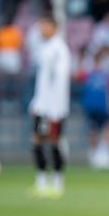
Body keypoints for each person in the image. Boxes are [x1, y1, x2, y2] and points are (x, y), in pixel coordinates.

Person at [28, 15, 72, 198]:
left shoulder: (58, 49)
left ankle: (57, 183)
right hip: (42, 105)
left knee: (54, 141)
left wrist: (56, 109)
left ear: (54, 27)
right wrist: (37, 102)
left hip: (53, 108)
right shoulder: (45, 47)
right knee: (38, 140)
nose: (41, 30)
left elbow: (60, 81)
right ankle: (41, 182)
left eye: (45, 25)